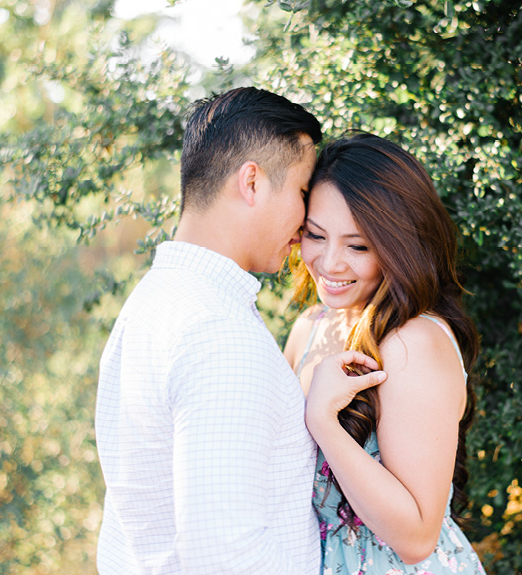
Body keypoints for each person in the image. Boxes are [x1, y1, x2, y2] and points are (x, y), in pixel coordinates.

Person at [95, 88, 383, 575]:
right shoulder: (218, 333)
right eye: (300, 193)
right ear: (251, 181)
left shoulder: (150, 303)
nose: (305, 223)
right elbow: (226, 555)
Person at [284, 133, 487, 574]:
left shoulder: (412, 342)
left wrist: (323, 421)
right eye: (316, 235)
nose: (329, 262)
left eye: (358, 246)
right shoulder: (308, 329)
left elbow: (417, 537)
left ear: (399, 246)